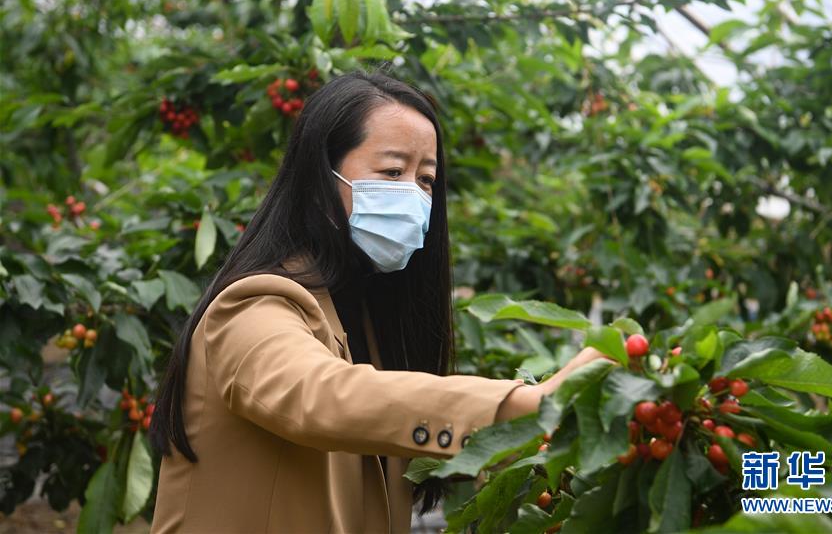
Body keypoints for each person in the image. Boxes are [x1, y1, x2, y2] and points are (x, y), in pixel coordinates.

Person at [148, 71, 603, 533]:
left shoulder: (372, 322)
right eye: (392, 172)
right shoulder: (252, 306)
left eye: (426, 179)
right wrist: (526, 404)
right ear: (319, 181)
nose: (413, 194)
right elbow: (320, 396)